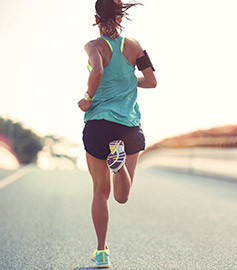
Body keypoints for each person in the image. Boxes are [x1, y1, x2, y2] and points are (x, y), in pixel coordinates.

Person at [77, 0, 156, 268]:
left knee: (101, 192)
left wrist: (88, 97)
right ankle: (119, 166)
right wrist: (130, 81)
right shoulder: (134, 46)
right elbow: (153, 81)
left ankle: (101, 252)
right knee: (123, 196)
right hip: (129, 126)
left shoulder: (93, 46)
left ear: (97, 18)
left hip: (99, 125)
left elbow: (97, 70)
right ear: (121, 18)